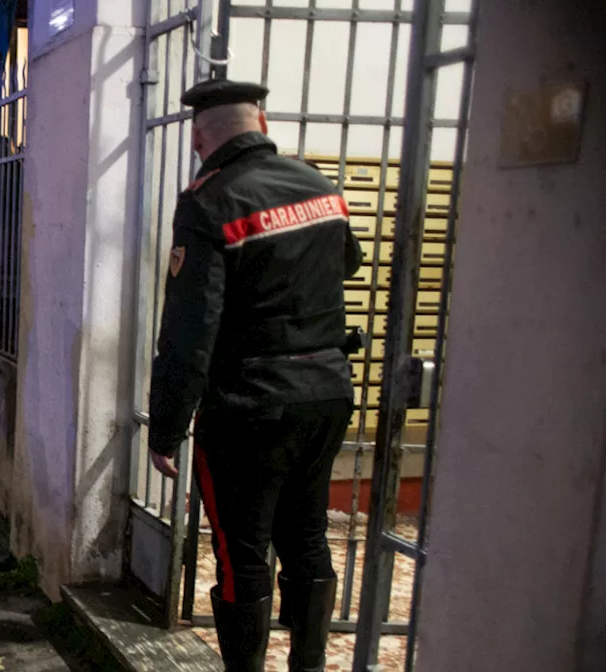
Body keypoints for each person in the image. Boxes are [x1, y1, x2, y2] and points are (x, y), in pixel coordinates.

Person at [147, 79, 362, 672]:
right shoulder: (319, 183)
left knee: (243, 553)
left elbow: (191, 330)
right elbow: (349, 260)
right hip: (326, 393)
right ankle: (310, 664)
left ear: (198, 137)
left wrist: (166, 428)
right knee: (308, 535)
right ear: (260, 124)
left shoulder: (208, 202)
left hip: (250, 408)